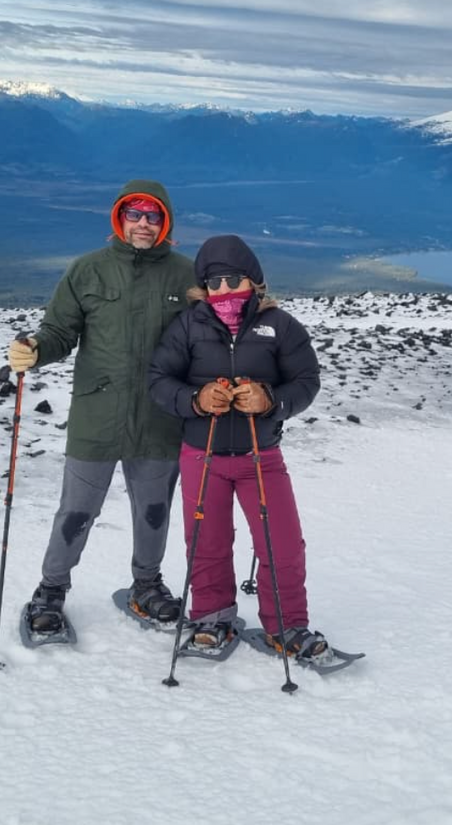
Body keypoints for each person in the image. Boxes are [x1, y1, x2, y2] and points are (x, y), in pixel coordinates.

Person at [7, 179, 197, 635]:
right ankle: (50, 591)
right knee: (77, 509)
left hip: (160, 416)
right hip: (97, 414)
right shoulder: (87, 270)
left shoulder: (186, 275)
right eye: (134, 214)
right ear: (119, 218)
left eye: (153, 216)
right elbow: (60, 331)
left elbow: (204, 338)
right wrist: (35, 349)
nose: (143, 224)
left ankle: (146, 586)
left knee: (153, 510)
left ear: (166, 222)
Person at [148, 234, 327, 658]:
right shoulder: (187, 325)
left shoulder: (280, 326)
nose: (224, 289)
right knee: (206, 542)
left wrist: (270, 400)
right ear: (203, 287)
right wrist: (196, 399)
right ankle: (211, 618)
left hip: (261, 456)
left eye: (233, 280)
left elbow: (306, 381)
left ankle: (287, 626)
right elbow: (159, 380)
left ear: (253, 281)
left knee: (281, 544)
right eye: (214, 282)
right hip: (202, 455)